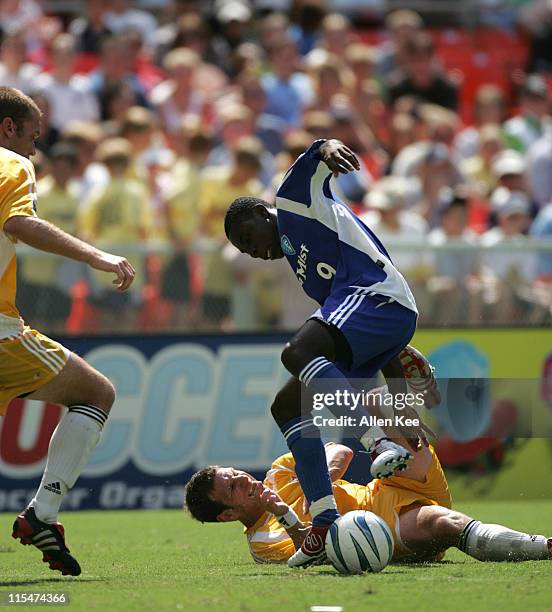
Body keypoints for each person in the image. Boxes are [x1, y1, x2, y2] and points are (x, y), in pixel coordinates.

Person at [224, 138, 435, 567]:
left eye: (251, 236)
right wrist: (403, 404)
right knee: (285, 404)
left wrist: (329, 148)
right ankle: (322, 521)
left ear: (265, 214)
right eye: (247, 251)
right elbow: (364, 347)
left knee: (298, 350)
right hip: (378, 321)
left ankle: (375, 445)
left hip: (380, 297)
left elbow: (318, 153)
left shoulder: (293, 203)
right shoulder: (309, 276)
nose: (256, 251)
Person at [0, 86, 135, 575]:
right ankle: (43, 514)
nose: (34, 150)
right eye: (32, 136)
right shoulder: (10, 163)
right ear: (9, 128)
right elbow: (20, 221)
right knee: (95, 392)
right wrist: (96, 256)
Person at [185, 440, 552, 565]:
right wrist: (286, 515)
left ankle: (412, 384)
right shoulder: (263, 543)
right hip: (382, 528)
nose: (245, 481)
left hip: (385, 486)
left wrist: (319, 486)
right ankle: (544, 547)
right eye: (233, 487)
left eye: (236, 474)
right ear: (228, 515)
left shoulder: (279, 473)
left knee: (382, 403)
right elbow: (314, 553)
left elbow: (340, 451)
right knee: (446, 525)